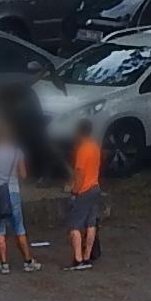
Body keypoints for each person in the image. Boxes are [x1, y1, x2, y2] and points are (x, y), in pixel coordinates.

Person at [0, 121, 35, 275]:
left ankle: (4, 264)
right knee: (19, 227)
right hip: (13, 191)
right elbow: (23, 174)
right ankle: (28, 261)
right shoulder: (17, 152)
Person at [63, 116, 104, 271]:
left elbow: (79, 173)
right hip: (95, 187)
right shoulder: (95, 147)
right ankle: (87, 256)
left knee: (74, 225)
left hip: (84, 190)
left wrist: (74, 191)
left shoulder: (82, 150)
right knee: (91, 223)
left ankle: (78, 259)